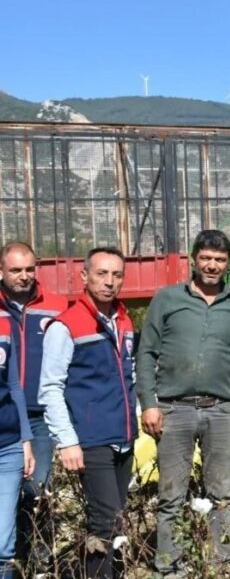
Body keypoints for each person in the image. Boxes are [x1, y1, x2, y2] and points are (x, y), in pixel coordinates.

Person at [135, 230, 230, 576]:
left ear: (228, 264)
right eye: (206, 258)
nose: (212, 265)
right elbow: (146, 353)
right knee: (171, 495)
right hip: (174, 409)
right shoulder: (167, 299)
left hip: (221, 410)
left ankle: (220, 565)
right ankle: (169, 566)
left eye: (219, 260)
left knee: (222, 493)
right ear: (194, 260)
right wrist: (149, 402)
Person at [38, 247, 134, 578]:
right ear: (84, 276)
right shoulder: (65, 326)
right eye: (101, 274)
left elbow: (128, 376)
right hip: (91, 439)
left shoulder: (123, 319)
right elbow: (50, 388)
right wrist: (67, 441)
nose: (109, 282)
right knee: (105, 523)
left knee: (116, 523)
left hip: (124, 436)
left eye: (116, 275)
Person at [0, 242, 65, 565]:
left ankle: (36, 562)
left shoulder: (56, 307)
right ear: (1, 270)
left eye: (29, 269)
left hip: (39, 417)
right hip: (5, 415)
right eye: (15, 270)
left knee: (37, 491)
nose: (24, 276)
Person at [0, 287, 33, 578]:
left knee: (3, 543)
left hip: (8, 446)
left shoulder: (3, 321)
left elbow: (13, 386)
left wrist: (25, 439)